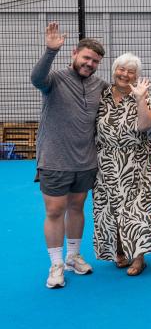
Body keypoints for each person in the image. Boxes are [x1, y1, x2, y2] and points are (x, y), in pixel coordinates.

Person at [31, 22, 108, 289]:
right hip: (54, 159)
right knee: (54, 211)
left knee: (77, 207)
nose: (90, 64)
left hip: (85, 161)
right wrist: (50, 51)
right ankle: (56, 263)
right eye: (86, 58)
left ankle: (74, 256)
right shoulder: (55, 80)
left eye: (95, 61)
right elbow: (36, 78)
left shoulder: (100, 85)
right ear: (74, 53)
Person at [93, 53, 151, 277]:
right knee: (110, 208)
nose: (124, 74)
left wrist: (140, 98)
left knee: (137, 208)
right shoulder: (102, 95)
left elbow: (145, 126)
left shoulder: (143, 96)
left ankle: (139, 258)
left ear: (137, 75)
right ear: (114, 71)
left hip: (135, 162)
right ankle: (119, 250)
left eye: (130, 71)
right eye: (121, 69)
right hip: (105, 162)